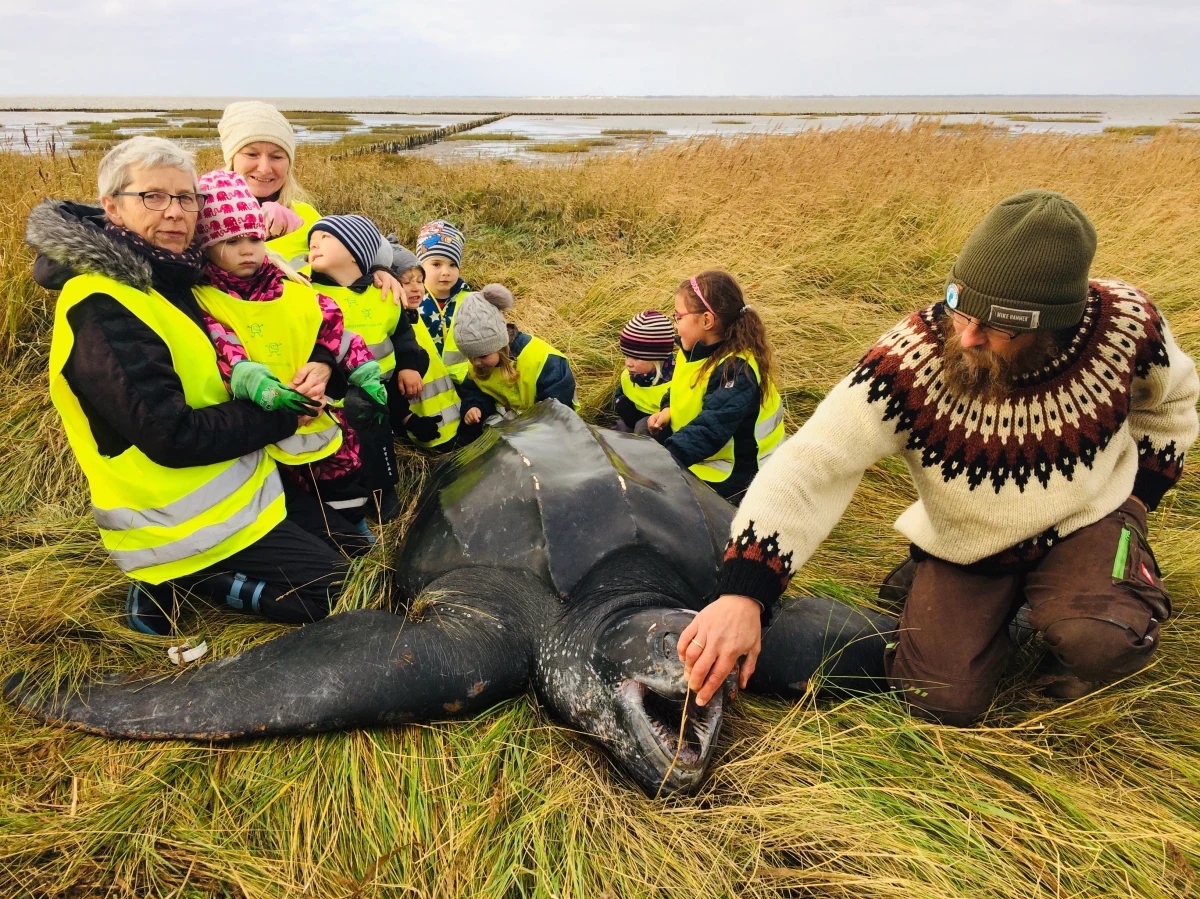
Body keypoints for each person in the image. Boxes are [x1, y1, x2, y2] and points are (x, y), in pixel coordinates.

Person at [680, 190, 1200, 725]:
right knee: (941, 698)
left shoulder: (1125, 322)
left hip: (1090, 518)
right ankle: (933, 577)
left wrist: (1139, 500)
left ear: (1055, 323)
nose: (968, 336)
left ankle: (1098, 597)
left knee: (1105, 639)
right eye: (960, 308)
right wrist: (744, 592)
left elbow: (1174, 401)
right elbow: (812, 461)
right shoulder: (911, 359)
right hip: (971, 541)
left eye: (999, 327)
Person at [26, 136, 354, 636]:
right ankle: (195, 580)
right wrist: (287, 414)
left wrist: (325, 356)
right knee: (335, 591)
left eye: (185, 198)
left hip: (246, 486)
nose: (175, 212)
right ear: (112, 207)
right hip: (178, 525)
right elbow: (172, 437)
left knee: (359, 552)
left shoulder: (176, 275)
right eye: (153, 197)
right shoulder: (102, 303)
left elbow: (283, 313)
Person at [192, 170, 389, 551]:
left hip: (323, 420)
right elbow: (226, 349)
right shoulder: (206, 300)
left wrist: (365, 373)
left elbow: (335, 330)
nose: (248, 250)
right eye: (232, 241)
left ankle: (357, 536)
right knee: (286, 496)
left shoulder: (294, 287)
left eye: (254, 238)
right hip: (264, 431)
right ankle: (322, 545)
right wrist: (258, 385)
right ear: (207, 246)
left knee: (343, 481)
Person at [308, 215, 434, 519]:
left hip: (379, 389)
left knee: (377, 442)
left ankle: (382, 492)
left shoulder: (384, 294)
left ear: (355, 251)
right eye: (311, 239)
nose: (314, 242)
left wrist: (407, 366)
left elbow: (403, 334)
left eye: (326, 237)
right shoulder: (308, 293)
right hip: (333, 392)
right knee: (339, 450)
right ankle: (347, 499)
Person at [217, 100, 405, 302]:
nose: (264, 168)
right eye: (251, 154)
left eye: (277, 156)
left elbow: (367, 248)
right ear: (232, 159)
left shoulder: (306, 214)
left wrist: (376, 271)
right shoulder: (207, 217)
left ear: (289, 163)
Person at [646, 271, 785, 503]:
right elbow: (680, 389)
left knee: (663, 499)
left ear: (707, 321)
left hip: (738, 472)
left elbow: (711, 428)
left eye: (678, 317)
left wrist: (662, 461)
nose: (675, 325)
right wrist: (667, 410)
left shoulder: (737, 369)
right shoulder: (691, 352)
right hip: (701, 455)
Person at [455, 285, 577, 431]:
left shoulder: (545, 360)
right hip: (509, 430)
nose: (475, 362)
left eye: (482, 355)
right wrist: (474, 407)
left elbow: (558, 408)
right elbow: (475, 393)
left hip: (547, 429)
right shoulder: (478, 364)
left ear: (499, 346)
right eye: (469, 356)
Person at [387, 240, 463, 450]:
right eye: (407, 281)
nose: (416, 288)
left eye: (420, 281)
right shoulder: (391, 329)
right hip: (421, 432)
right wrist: (407, 419)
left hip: (451, 422)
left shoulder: (414, 316)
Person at [415, 220, 472, 381]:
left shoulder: (469, 300)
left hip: (465, 382)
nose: (446, 272)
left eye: (453, 265)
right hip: (424, 383)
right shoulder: (410, 300)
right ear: (420, 266)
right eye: (436, 264)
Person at [613, 310, 676, 435]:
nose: (628, 363)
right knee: (618, 428)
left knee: (642, 427)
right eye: (626, 356)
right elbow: (621, 394)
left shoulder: (675, 379)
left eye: (636, 358)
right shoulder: (628, 375)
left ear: (656, 359)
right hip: (633, 419)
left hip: (662, 426)